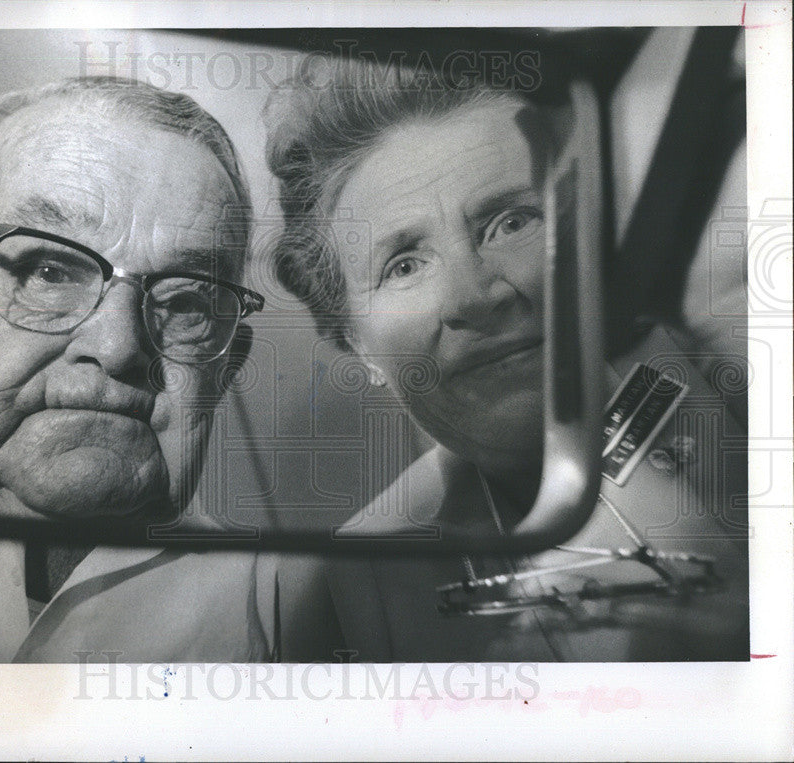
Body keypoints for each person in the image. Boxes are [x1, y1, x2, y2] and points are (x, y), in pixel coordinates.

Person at [0, 76, 333, 663]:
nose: (118, 346)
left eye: (185, 301)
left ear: (224, 370)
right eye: (48, 271)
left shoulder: (281, 610)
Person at [264, 57, 749, 661]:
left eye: (511, 221)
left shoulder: (751, 381)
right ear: (355, 342)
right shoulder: (352, 577)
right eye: (404, 265)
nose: (476, 297)